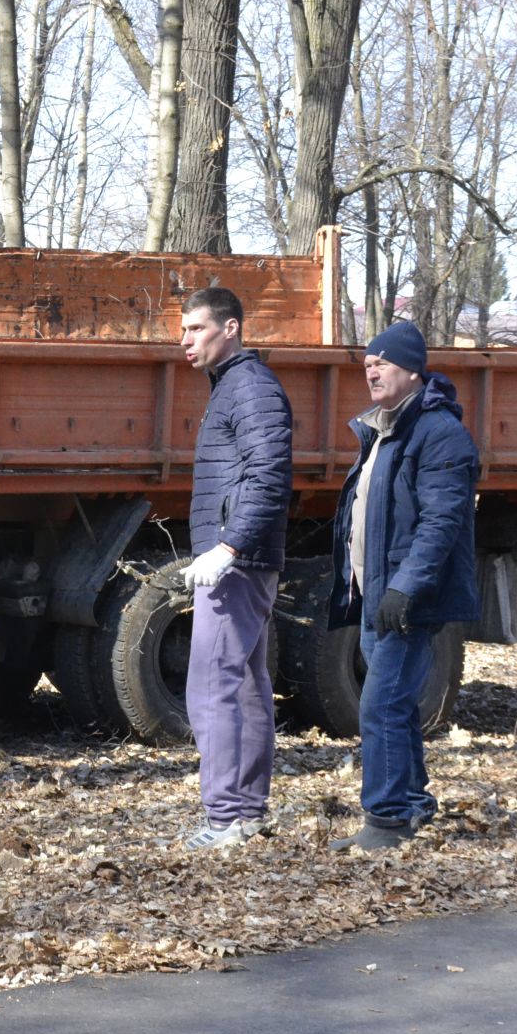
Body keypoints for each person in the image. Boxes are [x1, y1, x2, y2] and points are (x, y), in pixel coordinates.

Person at [327, 321, 479, 852]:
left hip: (408, 599)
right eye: (367, 362)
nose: (370, 368)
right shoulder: (385, 431)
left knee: (380, 704)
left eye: (383, 361)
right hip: (377, 594)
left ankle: (386, 820)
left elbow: (441, 523)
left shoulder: (438, 434)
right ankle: (411, 804)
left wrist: (405, 589)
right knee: (395, 702)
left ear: (413, 370)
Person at [175, 286, 294, 850]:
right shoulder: (236, 387)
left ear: (231, 328)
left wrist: (228, 549)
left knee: (211, 685)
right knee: (245, 683)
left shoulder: (249, 387)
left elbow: (269, 473)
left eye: (195, 329)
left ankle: (224, 819)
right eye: (182, 331)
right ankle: (244, 814)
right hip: (242, 558)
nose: (185, 341)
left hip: (238, 562)